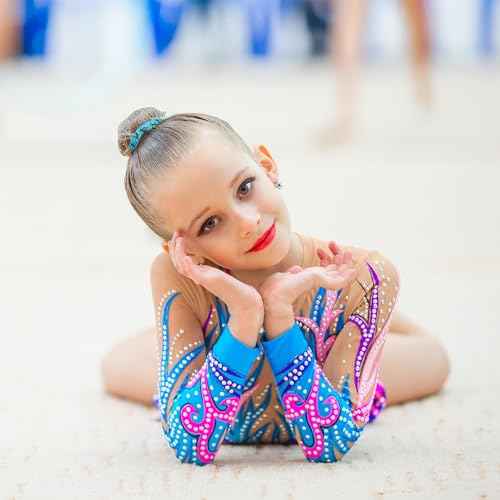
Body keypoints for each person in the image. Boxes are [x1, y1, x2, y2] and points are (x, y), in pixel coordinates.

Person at [102, 107, 450, 465]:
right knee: (114, 366)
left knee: (435, 361)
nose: (247, 222)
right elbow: (188, 444)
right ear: (185, 250)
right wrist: (245, 315)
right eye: (210, 224)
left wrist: (281, 319)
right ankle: (179, 335)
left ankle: (379, 323)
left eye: (244, 188)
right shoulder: (179, 276)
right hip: (216, 342)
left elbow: (330, 442)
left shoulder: (364, 274)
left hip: (329, 358)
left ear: (266, 165)